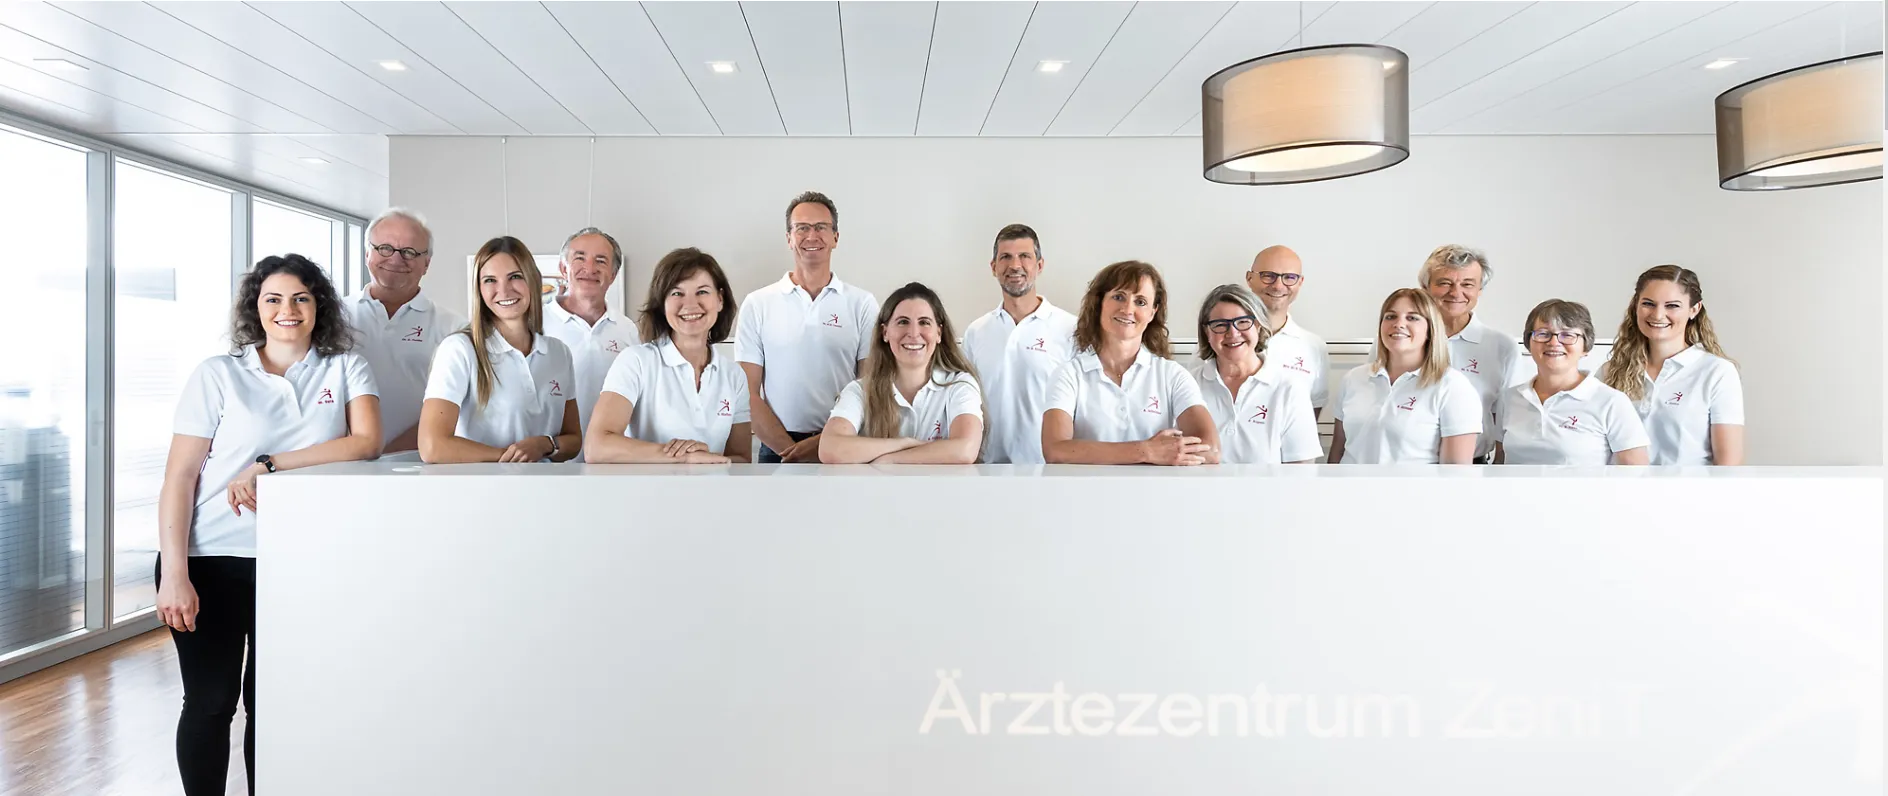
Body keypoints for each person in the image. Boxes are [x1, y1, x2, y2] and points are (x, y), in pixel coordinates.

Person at [155, 255, 382, 796]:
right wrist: (175, 575)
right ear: (254, 308)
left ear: (319, 306)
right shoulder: (218, 373)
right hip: (209, 559)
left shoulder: (346, 367)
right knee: (211, 702)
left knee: (275, 706)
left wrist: (269, 464)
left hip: (297, 562)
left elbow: (366, 441)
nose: (288, 310)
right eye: (273, 299)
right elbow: (180, 477)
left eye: (301, 298)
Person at [736, 191, 880, 463]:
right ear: (789, 238)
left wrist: (823, 445)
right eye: (802, 228)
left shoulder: (862, 303)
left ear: (835, 237)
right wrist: (790, 451)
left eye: (821, 227)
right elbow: (747, 393)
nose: (811, 236)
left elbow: (870, 386)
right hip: (776, 449)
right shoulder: (758, 303)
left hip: (843, 442)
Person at [419, 236, 582, 464]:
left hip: (546, 484)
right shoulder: (459, 350)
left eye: (515, 277)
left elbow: (573, 440)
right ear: (479, 289)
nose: (503, 291)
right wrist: (513, 457)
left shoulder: (559, 353)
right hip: (484, 485)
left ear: (534, 280)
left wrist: (544, 445)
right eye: (490, 280)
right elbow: (432, 446)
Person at [1042, 260, 1218, 465]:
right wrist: (1145, 451)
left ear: (1153, 312)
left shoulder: (1172, 375)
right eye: (1119, 297)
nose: (1128, 309)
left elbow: (1211, 450)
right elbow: (1055, 450)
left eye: (1140, 302)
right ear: (1099, 303)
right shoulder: (1068, 375)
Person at [585, 248, 750, 463]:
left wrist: (707, 462)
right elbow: (596, 447)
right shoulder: (636, 361)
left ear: (720, 299)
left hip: (713, 485)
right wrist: (683, 457)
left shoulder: (734, 375)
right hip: (648, 486)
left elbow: (741, 459)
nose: (690, 304)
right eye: (676, 293)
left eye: (702, 292)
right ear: (662, 304)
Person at [341, 208, 465, 453]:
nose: (396, 260)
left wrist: (388, 452)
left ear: (426, 263)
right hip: (342, 461)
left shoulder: (455, 329)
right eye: (384, 248)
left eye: (409, 252)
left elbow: (461, 404)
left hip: (417, 461)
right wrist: (356, 448)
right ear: (367, 254)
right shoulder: (333, 317)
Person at [820, 282, 984, 464]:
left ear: (939, 333)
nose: (913, 333)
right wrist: (905, 443)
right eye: (903, 322)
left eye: (924, 322)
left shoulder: (960, 385)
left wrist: (889, 460)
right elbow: (830, 449)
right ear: (885, 332)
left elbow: (965, 450)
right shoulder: (859, 390)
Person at [1600, 265, 1744, 465]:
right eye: (1648, 304)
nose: (1658, 315)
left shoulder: (1717, 373)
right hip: (1620, 486)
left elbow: (1729, 465)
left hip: (1689, 486)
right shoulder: (1610, 371)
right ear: (1635, 306)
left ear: (1694, 309)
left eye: (1672, 306)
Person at [961, 223, 1077, 464]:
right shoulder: (976, 332)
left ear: (1039, 265)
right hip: (987, 468)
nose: (1015, 265)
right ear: (994, 267)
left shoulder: (1071, 329)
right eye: (1005, 257)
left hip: (1049, 469)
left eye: (1024, 256)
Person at [1328, 288, 1481, 464]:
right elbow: (1337, 452)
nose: (1399, 324)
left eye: (1412, 318)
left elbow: (1456, 472)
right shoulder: (1353, 379)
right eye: (1390, 316)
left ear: (1430, 329)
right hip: (1349, 482)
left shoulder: (1452, 386)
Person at [1495, 300, 1649, 465]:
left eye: (1568, 335)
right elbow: (1499, 463)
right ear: (1528, 342)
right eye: (1543, 333)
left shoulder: (1611, 402)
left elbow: (1636, 473)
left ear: (1585, 347)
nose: (1554, 342)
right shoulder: (1509, 399)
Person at [1190, 284, 1321, 464]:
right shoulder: (1187, 385)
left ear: (1258, 325)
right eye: (1220, 325)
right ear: (1207, 332)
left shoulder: (1290, 388)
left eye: (1243, 322)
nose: (1233, 333)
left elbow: (1302, 468)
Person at [1418, 244, 1522, 463]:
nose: (1456, 293)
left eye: (1467, 284)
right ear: (1425, 287)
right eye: (1445, 283)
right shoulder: (1398, 340)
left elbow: (1507, 416)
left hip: (1474, 465)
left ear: (1479, 290)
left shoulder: (1502, 347)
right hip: (1407, 465)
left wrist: (1500, 466)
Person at [542, 226, 636, 433]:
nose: (590, 268)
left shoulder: (627, 329)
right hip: (552, 451)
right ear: (563, 269)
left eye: (601, 261)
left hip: (610, 451)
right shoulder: (536, 324)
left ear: (613, 275)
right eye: (580, 258)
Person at [1245, 245, 1332, 416]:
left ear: (1300, 282)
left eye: (1289, 277)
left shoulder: (1314, 347)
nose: (1278, 286)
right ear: (1249, 278)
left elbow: (1312, 412)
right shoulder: (1222, 339)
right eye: (1268, 276)